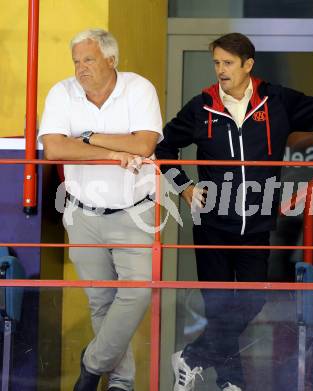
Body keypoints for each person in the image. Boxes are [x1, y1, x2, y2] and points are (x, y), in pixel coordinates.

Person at [156, 32, 313, 391]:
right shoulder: (202, 108)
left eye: (228, 63)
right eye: (216, 63)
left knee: (253, 300)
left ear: (248, 65)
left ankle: (193, 356)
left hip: (257, 223)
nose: (221, 70)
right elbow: (164, 148)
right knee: (217, 306)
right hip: (212, 224)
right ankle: (232, 383)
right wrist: (184, 187)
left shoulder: (276, 101)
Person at [38, 29, 163, 391]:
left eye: (88, 60)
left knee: (137, 292)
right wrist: (110, 153)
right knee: (101, 300)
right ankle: (121, 383)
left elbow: (143, 143)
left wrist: (88, 137)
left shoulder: (139, 88)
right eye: (76, 61)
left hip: (134, 212)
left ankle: (92, 365)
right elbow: (55, 149)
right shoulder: (62, 92)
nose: (81, 69)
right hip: (82, 214)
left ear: (111, 59)